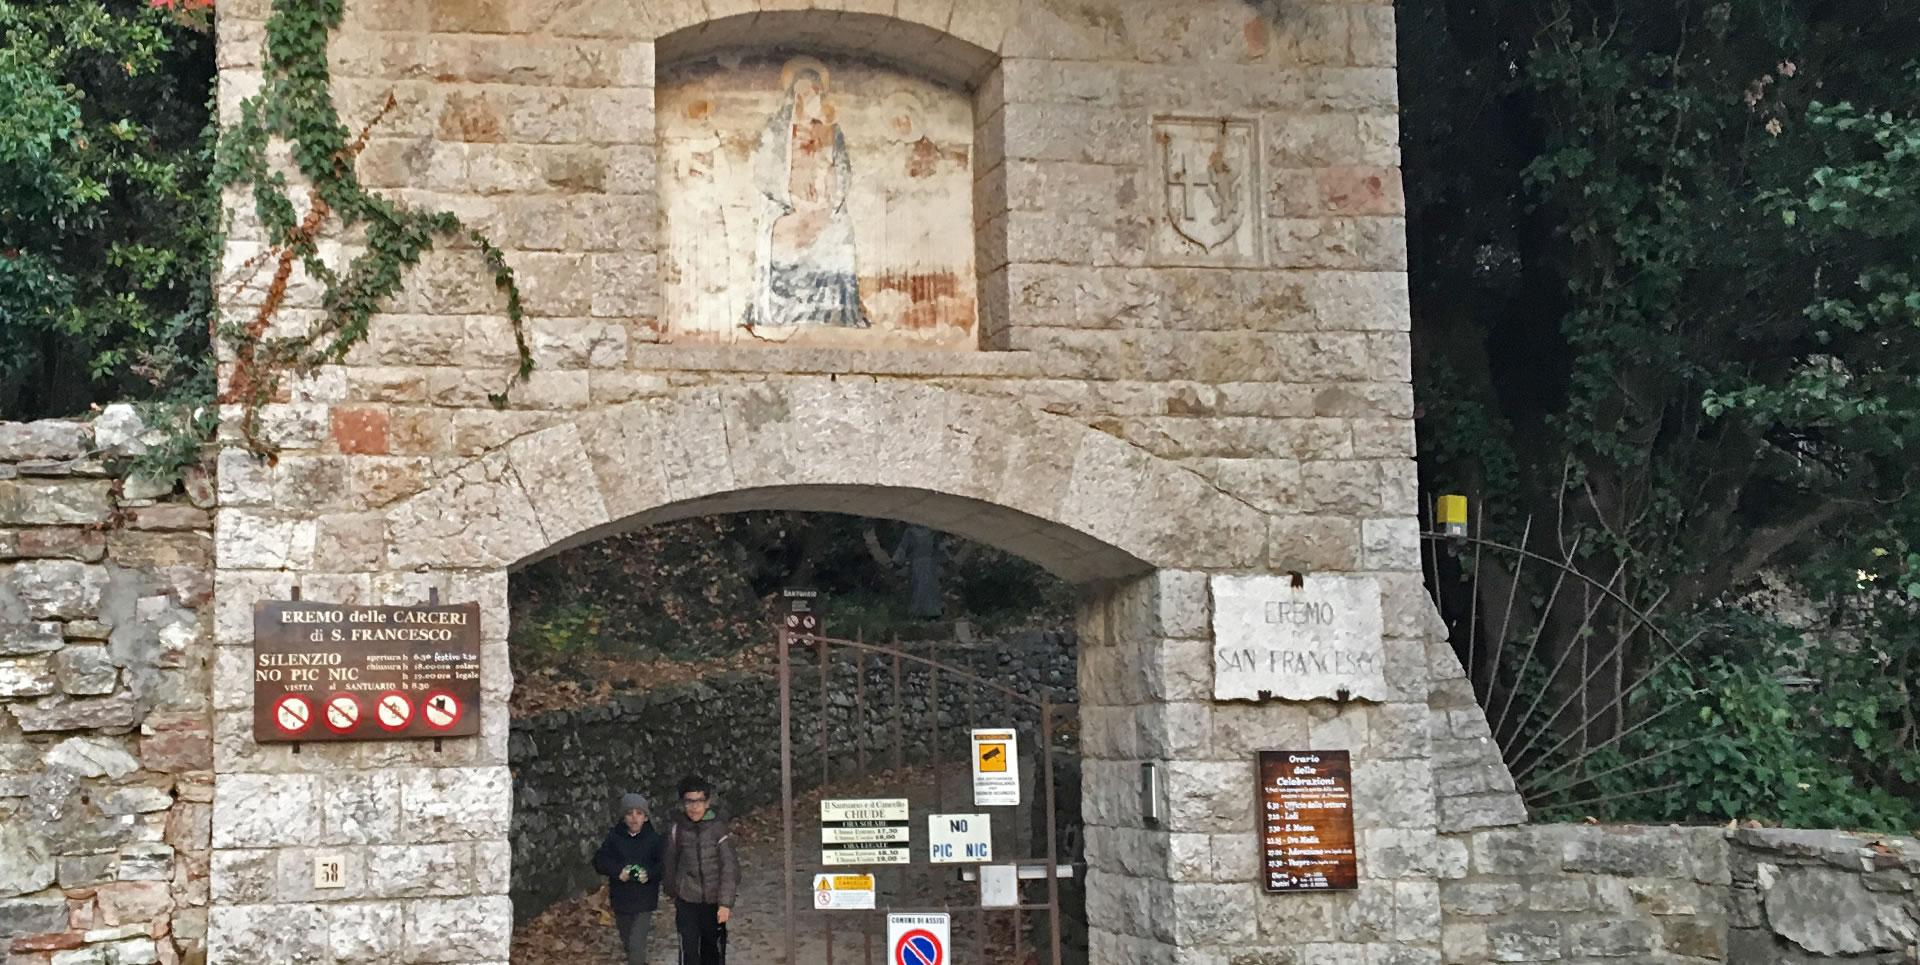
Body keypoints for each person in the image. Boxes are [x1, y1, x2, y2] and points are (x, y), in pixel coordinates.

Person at [662, 775, 738, 965]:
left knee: (713, 951)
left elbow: (729, 867)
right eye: (689, 802)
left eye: (699, 801)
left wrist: (725, 903)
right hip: (687, 900)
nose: (694, 807)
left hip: (714, 902)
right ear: (683, 803)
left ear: (707, 802)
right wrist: (673, 891)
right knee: (689, 951)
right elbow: (669, 863)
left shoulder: (719, 830)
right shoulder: (676, 830)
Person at [592, 792, 666, 965]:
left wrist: (648, 874)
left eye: (639, 813)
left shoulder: (654, 840)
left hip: (644, 900)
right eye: (629, 813)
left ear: (646, 818)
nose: (634, 818)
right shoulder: (614, 838)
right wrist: (618, 871)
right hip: (621, 900)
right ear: (623, 817)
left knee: (636, 943)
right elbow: (599, 861)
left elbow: (662, 865)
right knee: (627, 941)